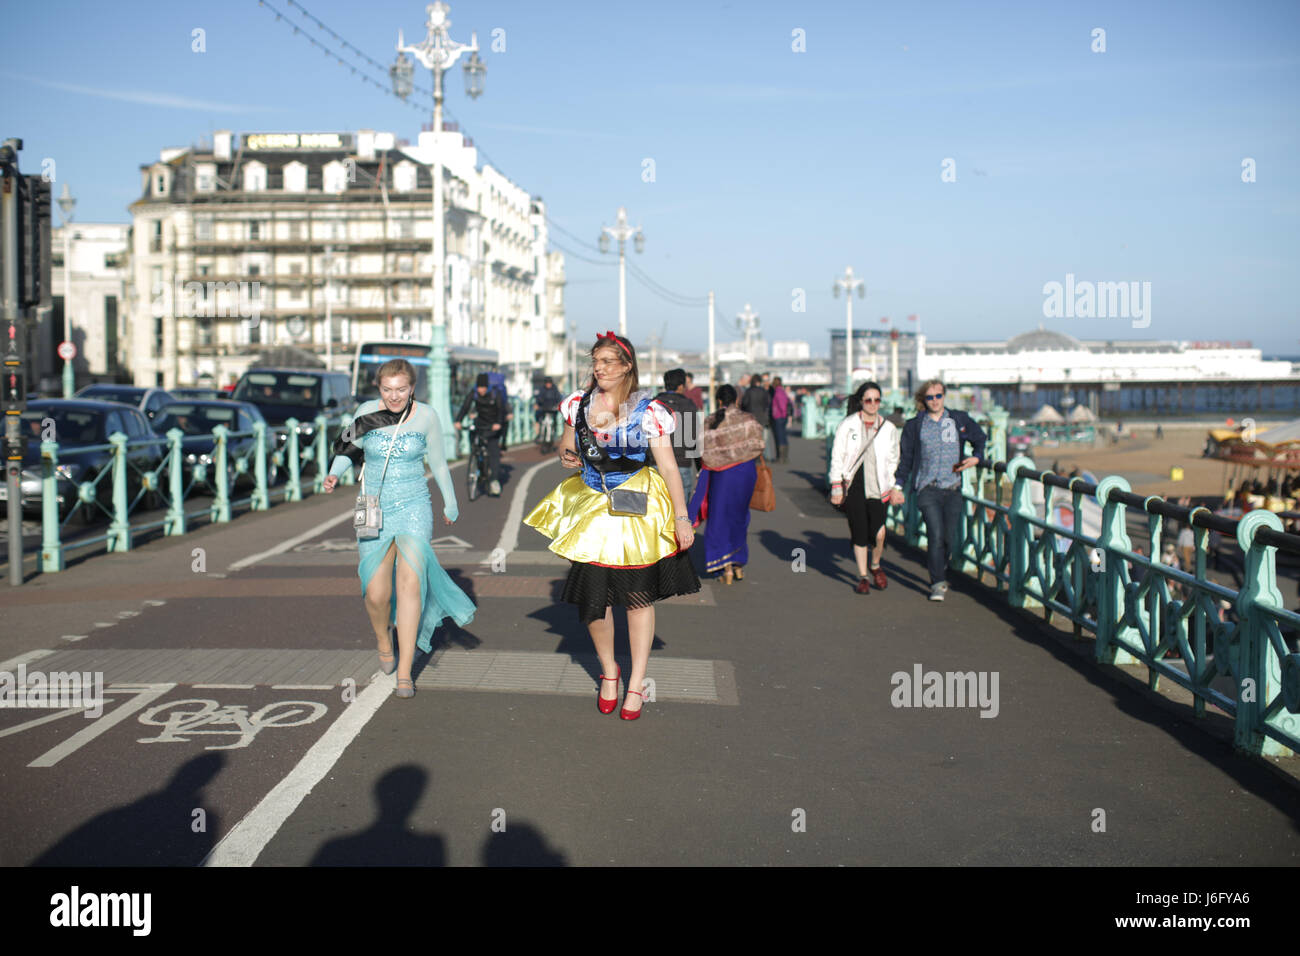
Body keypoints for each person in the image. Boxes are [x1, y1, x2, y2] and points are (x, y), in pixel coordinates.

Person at [524, 332, 699, 721]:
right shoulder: (579, 404)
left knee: (638, 597)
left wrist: (682, 516)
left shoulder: (647, 410)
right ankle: (609, 671)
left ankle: (636, 682)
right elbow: (565, 445)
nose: (599, 368)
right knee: (595, 599)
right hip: (592, 501)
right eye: (596, 361)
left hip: (636, 499)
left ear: (626, 367)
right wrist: (567, 453)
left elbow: (668, 466)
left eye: (607, 361)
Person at [323, 359, 475, 698]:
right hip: (374, 508)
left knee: (411, 585)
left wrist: (449, 501)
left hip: (414, 507)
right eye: (388, 390)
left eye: (402, 390)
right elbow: (347, 447)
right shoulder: (365, 412)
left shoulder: (426, 416)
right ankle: (382, 638)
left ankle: (405, 670)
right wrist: (334, 472)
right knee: (376, 592)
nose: (394, 397)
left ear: (412, 388)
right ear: (379, 388)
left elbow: (437, 460)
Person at [889, 379, 987, 602]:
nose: (934, 401)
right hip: (927, 489)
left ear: (944, 396)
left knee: (949, 540)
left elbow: (980, 437)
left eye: (938, 396)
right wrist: (898, 486)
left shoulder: (958, 420)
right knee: (935, 535)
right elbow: (907, 459)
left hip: (953, 488)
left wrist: (977, 457)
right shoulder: (915, 425)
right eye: (930, 397)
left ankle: (940, 569)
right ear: (923, 400)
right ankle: (937, 582)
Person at [687, 384, 765, 585]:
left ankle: (727, 568)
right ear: (737, 400)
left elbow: (702, 450)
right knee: (740, 518)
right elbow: (759, 444)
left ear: (719, 400)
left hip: (721, 476)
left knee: (719, 519)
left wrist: (722, 457)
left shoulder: (710, 421)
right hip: (745, 473)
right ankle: (738, 564)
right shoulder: (748, 420)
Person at [829, 381, 900, 594]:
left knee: (878, 533)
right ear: (861, 401)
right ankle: (863, 577)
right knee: (859, 531)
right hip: (855, 484)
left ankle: (875, 564)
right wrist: (836, 487)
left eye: (877, 400)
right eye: (868, 400)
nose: (872, 404)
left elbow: (894, 458)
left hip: (879, 485)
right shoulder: (848, 425)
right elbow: (837, 456)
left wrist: (895, 485)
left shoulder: (888, 428)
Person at [453, 373, 505, 496]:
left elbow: (501, 410)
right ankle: (477, 460)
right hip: (480, 423)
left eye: (483, 388)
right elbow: (465, 406)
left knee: (494, 453)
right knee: (474, 442)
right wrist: (458, 420)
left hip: (493, 424)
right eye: (479, 387)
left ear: (487, 387)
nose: (481, 390)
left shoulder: (495, 394)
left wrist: (498, 423)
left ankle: (494, 481)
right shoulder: (474, 393)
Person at [655, 368, 700, 503]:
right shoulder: (688, 405)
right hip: (681, 464)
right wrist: (699, 466)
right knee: (680, 512)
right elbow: (694, 439)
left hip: (656, 463)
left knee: (658, 510)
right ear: (681, 386)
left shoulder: (653, 404)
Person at [739, 369, 772, 461]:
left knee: (753, 439)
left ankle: (755, 456)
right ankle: (765, 456)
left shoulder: (748, 391)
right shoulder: (763, 391)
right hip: (762, 418)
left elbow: (744, 404)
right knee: (763, 438)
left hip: (751, 418)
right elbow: (768, 403)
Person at [769, 375, 792, 463]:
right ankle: (784, 457)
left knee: (780, 437)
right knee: (783, 437)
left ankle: (781, 457)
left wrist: (782, 414)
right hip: (782, 417)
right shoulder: (782, 391)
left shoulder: (778, 392)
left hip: (779, 417)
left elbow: (782, 405)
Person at [533, 376, 563, 445]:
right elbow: (539, 398)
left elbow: (558, 398)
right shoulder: (542, 389)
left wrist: (557, 405)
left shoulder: (555, 389)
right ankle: (541, 435)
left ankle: (553, 434)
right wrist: (537, 404)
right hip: (544, 409)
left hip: (552, 409)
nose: (548, 384)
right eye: (547, 383)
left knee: (554, 422)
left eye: (549, 383)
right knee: (541, 421)